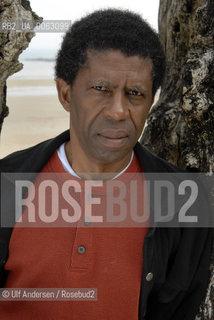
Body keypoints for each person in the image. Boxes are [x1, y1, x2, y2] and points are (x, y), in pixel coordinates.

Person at [0, 8, 212, 320]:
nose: (117, 111)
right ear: (66, 93)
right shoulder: (6, 184)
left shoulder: (187, 203)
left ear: (150, 104)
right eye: (101, 89)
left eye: (135, 94)